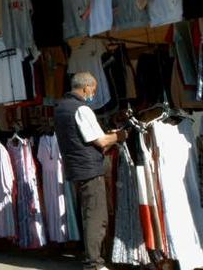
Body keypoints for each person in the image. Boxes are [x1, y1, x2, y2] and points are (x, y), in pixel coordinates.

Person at [54, 71, 128, 270]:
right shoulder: (81, 109)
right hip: (89, 169)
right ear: (86, 87)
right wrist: (121, 135)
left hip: (77, 168)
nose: (92, 93)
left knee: (88, 214)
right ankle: (94, 264)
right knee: (96, 217)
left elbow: (80, 138)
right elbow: (100, 140)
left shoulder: (61, 108)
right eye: (93, 89)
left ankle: (93, 259)